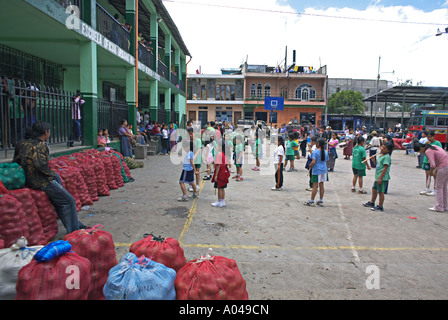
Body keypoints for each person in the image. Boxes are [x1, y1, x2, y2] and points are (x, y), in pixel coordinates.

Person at [16, 121, 86, 234]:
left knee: (57, 180)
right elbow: (40, 165)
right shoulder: (40, 145)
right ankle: (74, 232)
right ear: (46, 132)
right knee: (69, 201)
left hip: (29, 178)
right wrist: (51, 174)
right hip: (40, 180)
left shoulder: (24, 144)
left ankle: (76, 224)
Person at [414, 141, 448, 212]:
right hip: (446, 165)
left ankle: (439, 207)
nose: (421, 153)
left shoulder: (428, 151)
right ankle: (444, 205)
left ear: (421, 148)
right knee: (444, 187)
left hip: (442, 166)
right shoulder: (434, 147)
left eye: (420, 151)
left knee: (438, 187)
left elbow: (432, 164)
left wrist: (432, 171)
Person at [363, 142, 393, 212]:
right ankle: (372, 202)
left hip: (382, 178)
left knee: (381, 192)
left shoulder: (387, 157)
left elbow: (385, 168)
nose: (382, 149)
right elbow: (378, 166)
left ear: (388, 151)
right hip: (377, 177)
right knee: (374, 190)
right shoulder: (380, 155)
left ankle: (380, 205)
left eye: (384, 148)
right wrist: (373, 161)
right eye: (382, 147)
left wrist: (380, 178)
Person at [304, 138, 329, 206]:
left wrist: (310, 165)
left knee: (315, 186)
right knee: (321, 185)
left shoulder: (315, 152)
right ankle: (321, 200)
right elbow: (326, 161)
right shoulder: (325, 152)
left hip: (316, 170)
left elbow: (313, 162)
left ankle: (311, 200)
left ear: (318, 144)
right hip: (324, 170)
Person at [420, 130, 442, 196]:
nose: (429, 138)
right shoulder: (427, 143)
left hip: (434, 162)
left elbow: (440, 152)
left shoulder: (437, 143)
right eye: (428, 137)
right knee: (427, 174)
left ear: (433, 137)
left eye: (430, 137)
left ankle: (435, 189)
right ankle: (427, 188)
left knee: (435, 175)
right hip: (426, 161)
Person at [211, 139, 230, 207]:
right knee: (222, 187)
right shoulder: (225, 154)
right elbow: (227, 164)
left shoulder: (219, 155)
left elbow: (218, 165)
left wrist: (216, 175)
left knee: (219, 187)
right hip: (224, 172)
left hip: (220, 173)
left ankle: (219, 201)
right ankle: (222, 201)